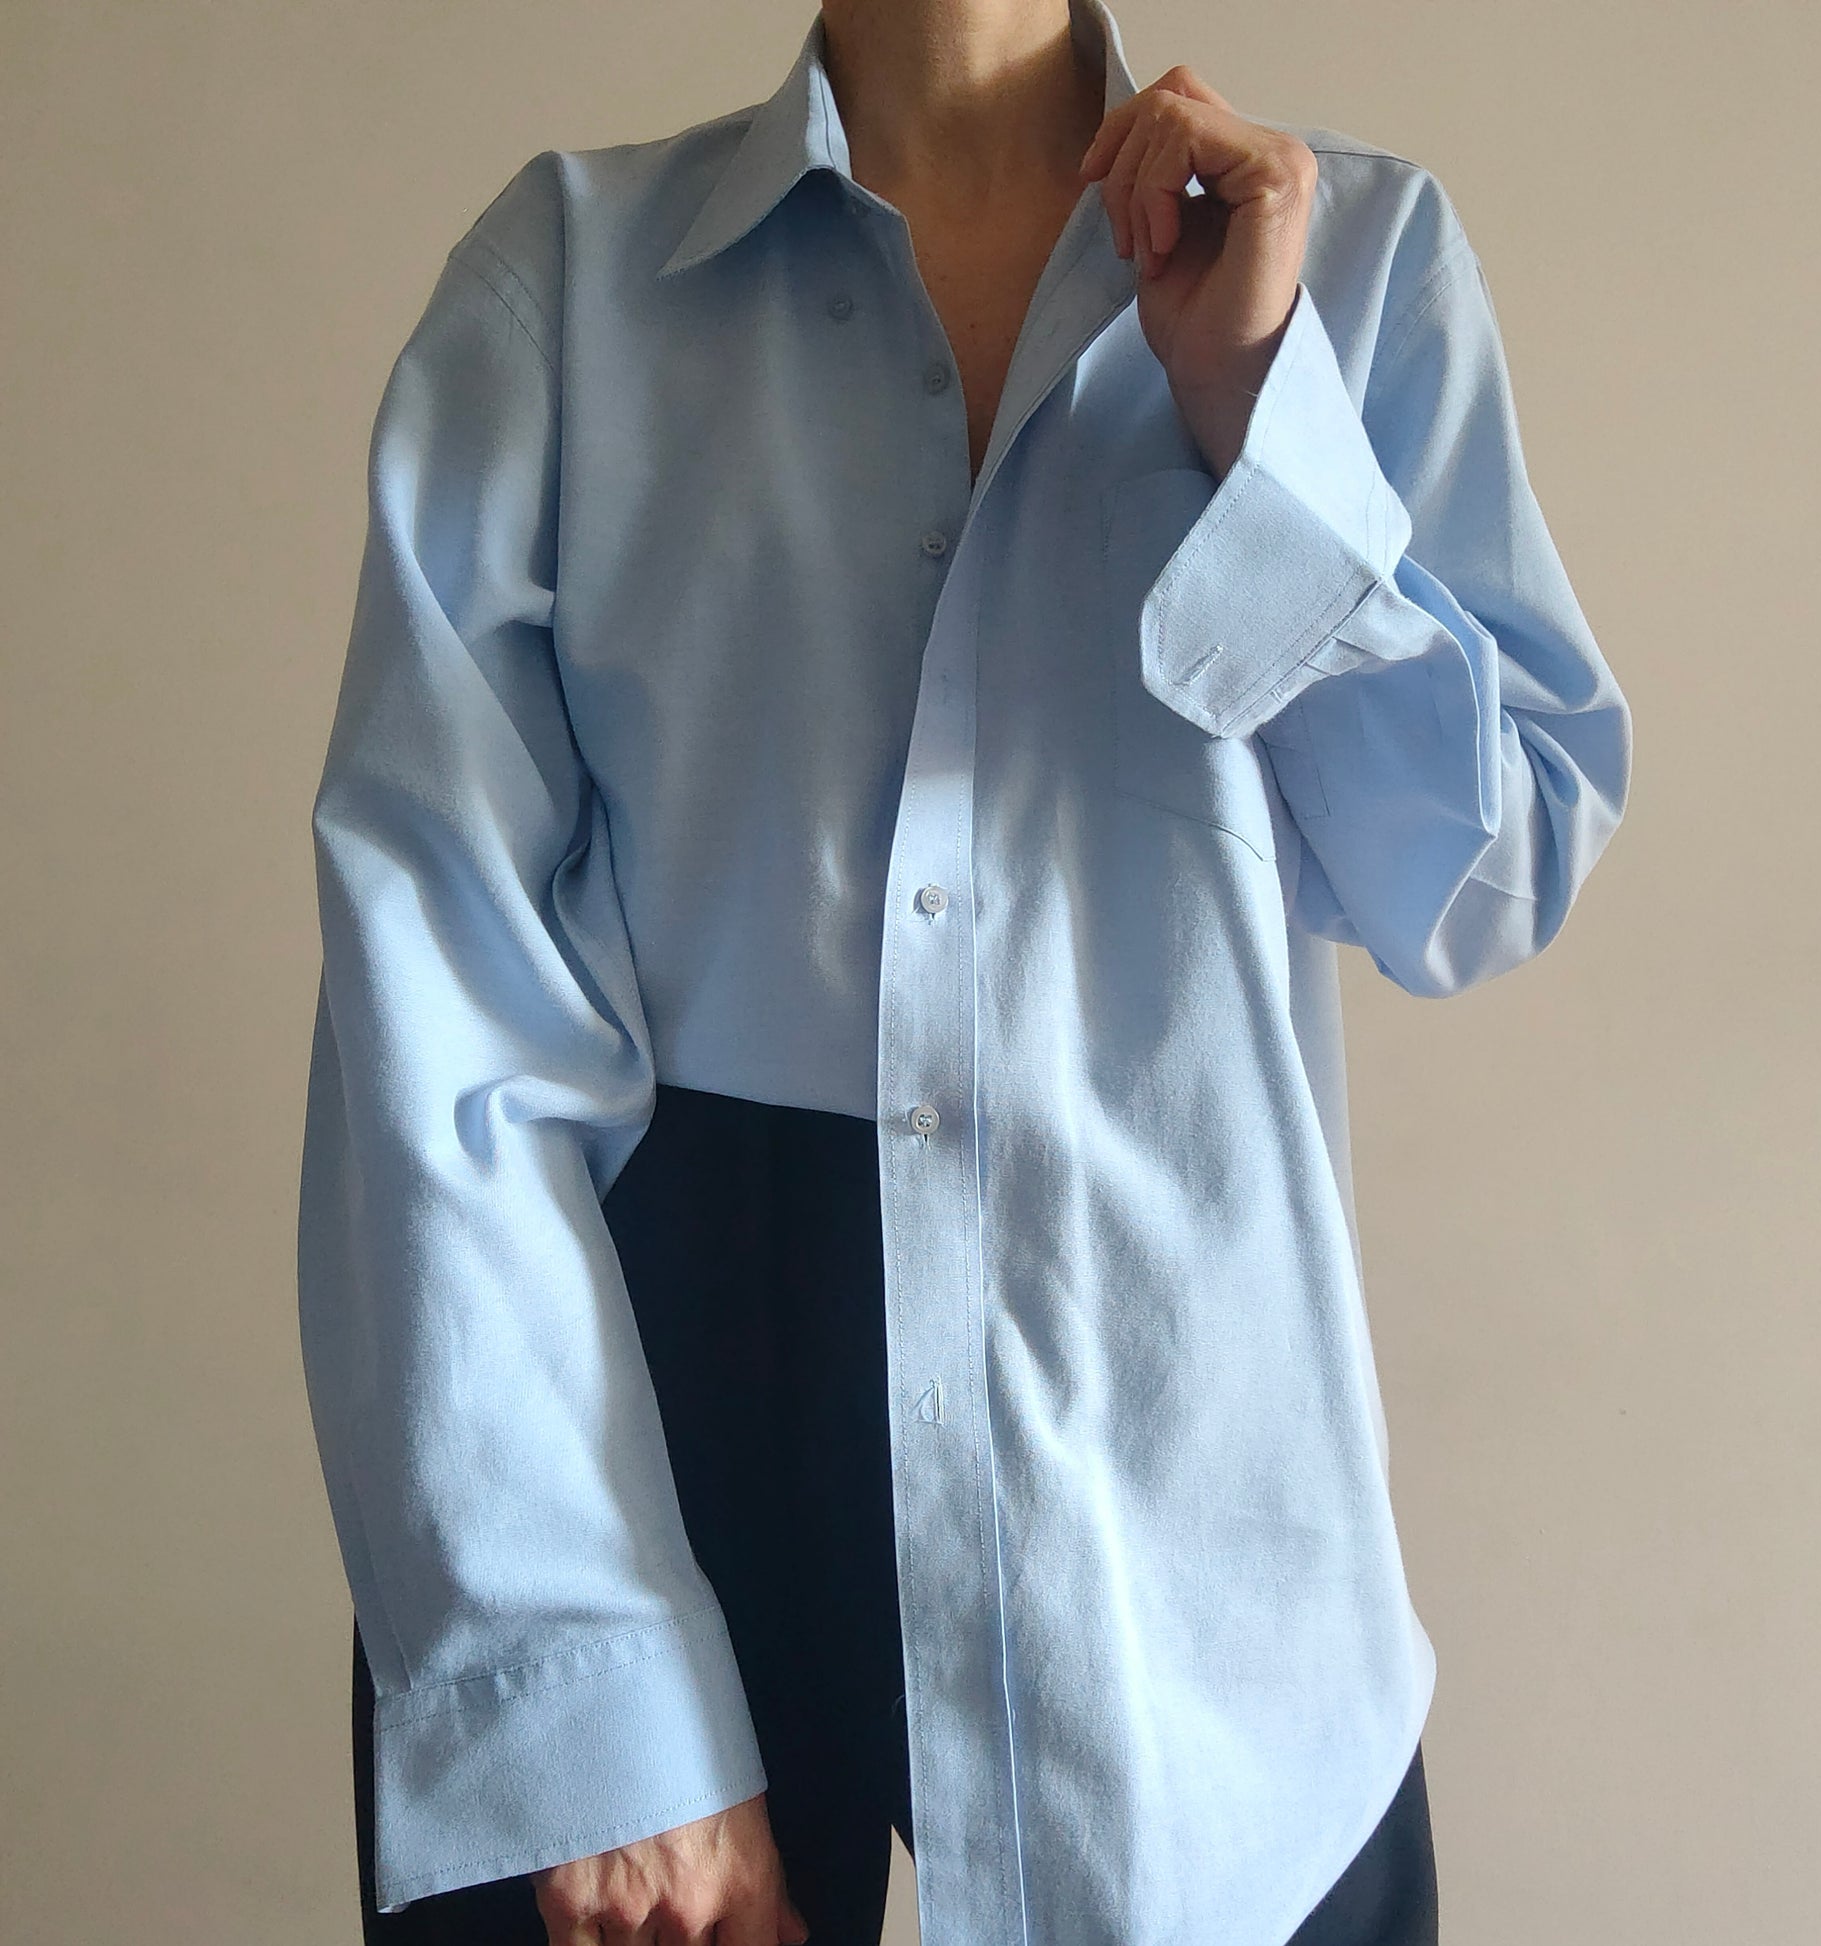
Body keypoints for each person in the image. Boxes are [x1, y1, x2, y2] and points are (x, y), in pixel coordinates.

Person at [297, 1, 1632, 1942]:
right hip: (653, 1372)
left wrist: (1257, 404)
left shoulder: (1357, 260)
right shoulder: (567, 282)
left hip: (1171, 1416)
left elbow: (1474, 879)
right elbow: (433, 995)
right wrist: (584, 1704)